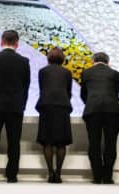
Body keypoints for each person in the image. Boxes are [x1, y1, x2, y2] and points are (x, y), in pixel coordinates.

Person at [0, 30, 31, 183]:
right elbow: (26, 86)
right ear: (17, 43)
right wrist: (22, 104)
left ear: (1, 41)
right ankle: (12, 174)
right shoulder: (24, 61)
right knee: (14, 141)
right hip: (15, 106)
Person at [80, 51, 119, 185]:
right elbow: (115, 93)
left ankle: (97, 176)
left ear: (93, 61)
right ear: (108, 62)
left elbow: (83, 94)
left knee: (94, 143)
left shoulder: (86, 73)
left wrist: (91, 103)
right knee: (110, 143)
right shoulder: (115, 74)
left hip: (93, 110)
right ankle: (108, 176)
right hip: (112, 110)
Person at [35, 47, 73, 183]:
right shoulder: (67, 72)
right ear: (62, 58)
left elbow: (42, 89)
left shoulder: (43, 72)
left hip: (46, 106)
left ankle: (50, 172)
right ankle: (58, 173)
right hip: (62, 107)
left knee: (47, 141)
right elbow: (69, 92)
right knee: (61, 142)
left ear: (49, 58)